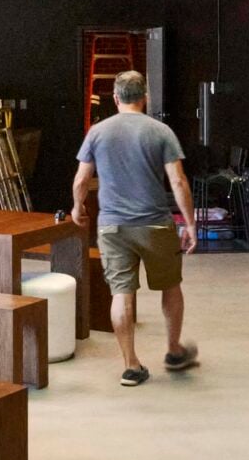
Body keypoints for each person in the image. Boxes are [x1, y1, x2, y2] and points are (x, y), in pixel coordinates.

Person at [72, 71, 198, 388]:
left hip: (112, 226)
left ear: (116, 99)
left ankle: (131, 365)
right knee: (170, 286)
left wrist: (78, 209)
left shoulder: (97, 132)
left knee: (121, 294)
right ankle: (173, 350)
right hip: (155, 224)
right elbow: (179, 181)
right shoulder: (161, 131)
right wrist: (191, 223)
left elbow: (81, 180)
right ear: (145, 97)